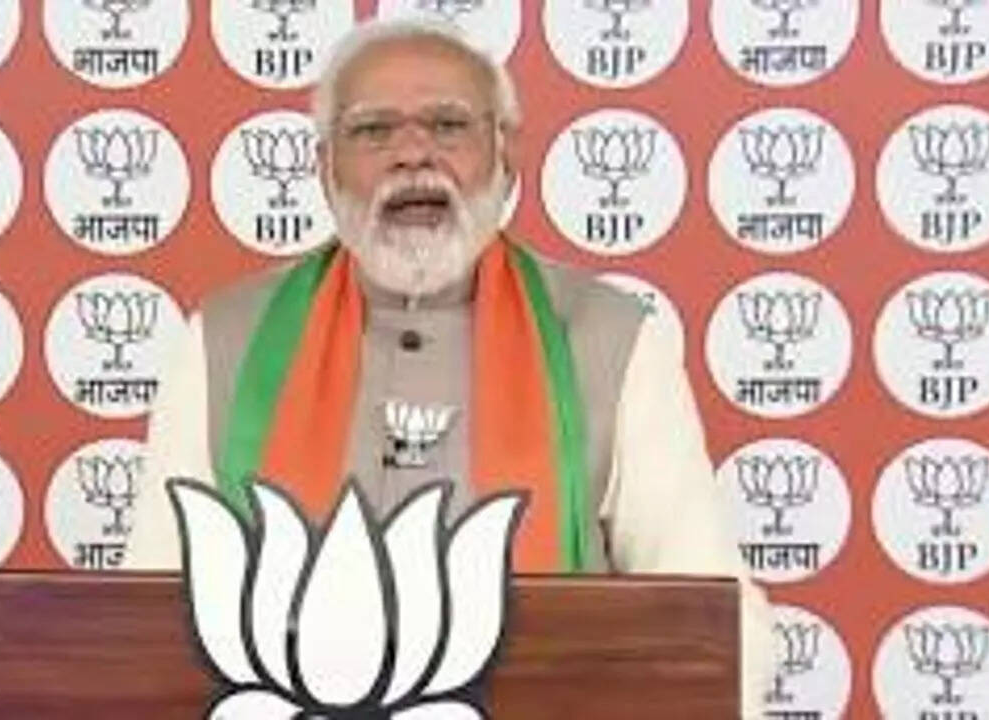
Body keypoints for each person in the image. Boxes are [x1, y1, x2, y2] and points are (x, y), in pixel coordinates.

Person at [125, 17, 772, 716]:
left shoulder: (613, 339)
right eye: (373, 130)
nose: (412, 154)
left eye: (448, 124)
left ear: (506, 154)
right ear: (323, 167)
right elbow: (140, 625)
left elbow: (721, 628)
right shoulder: (223, 340)